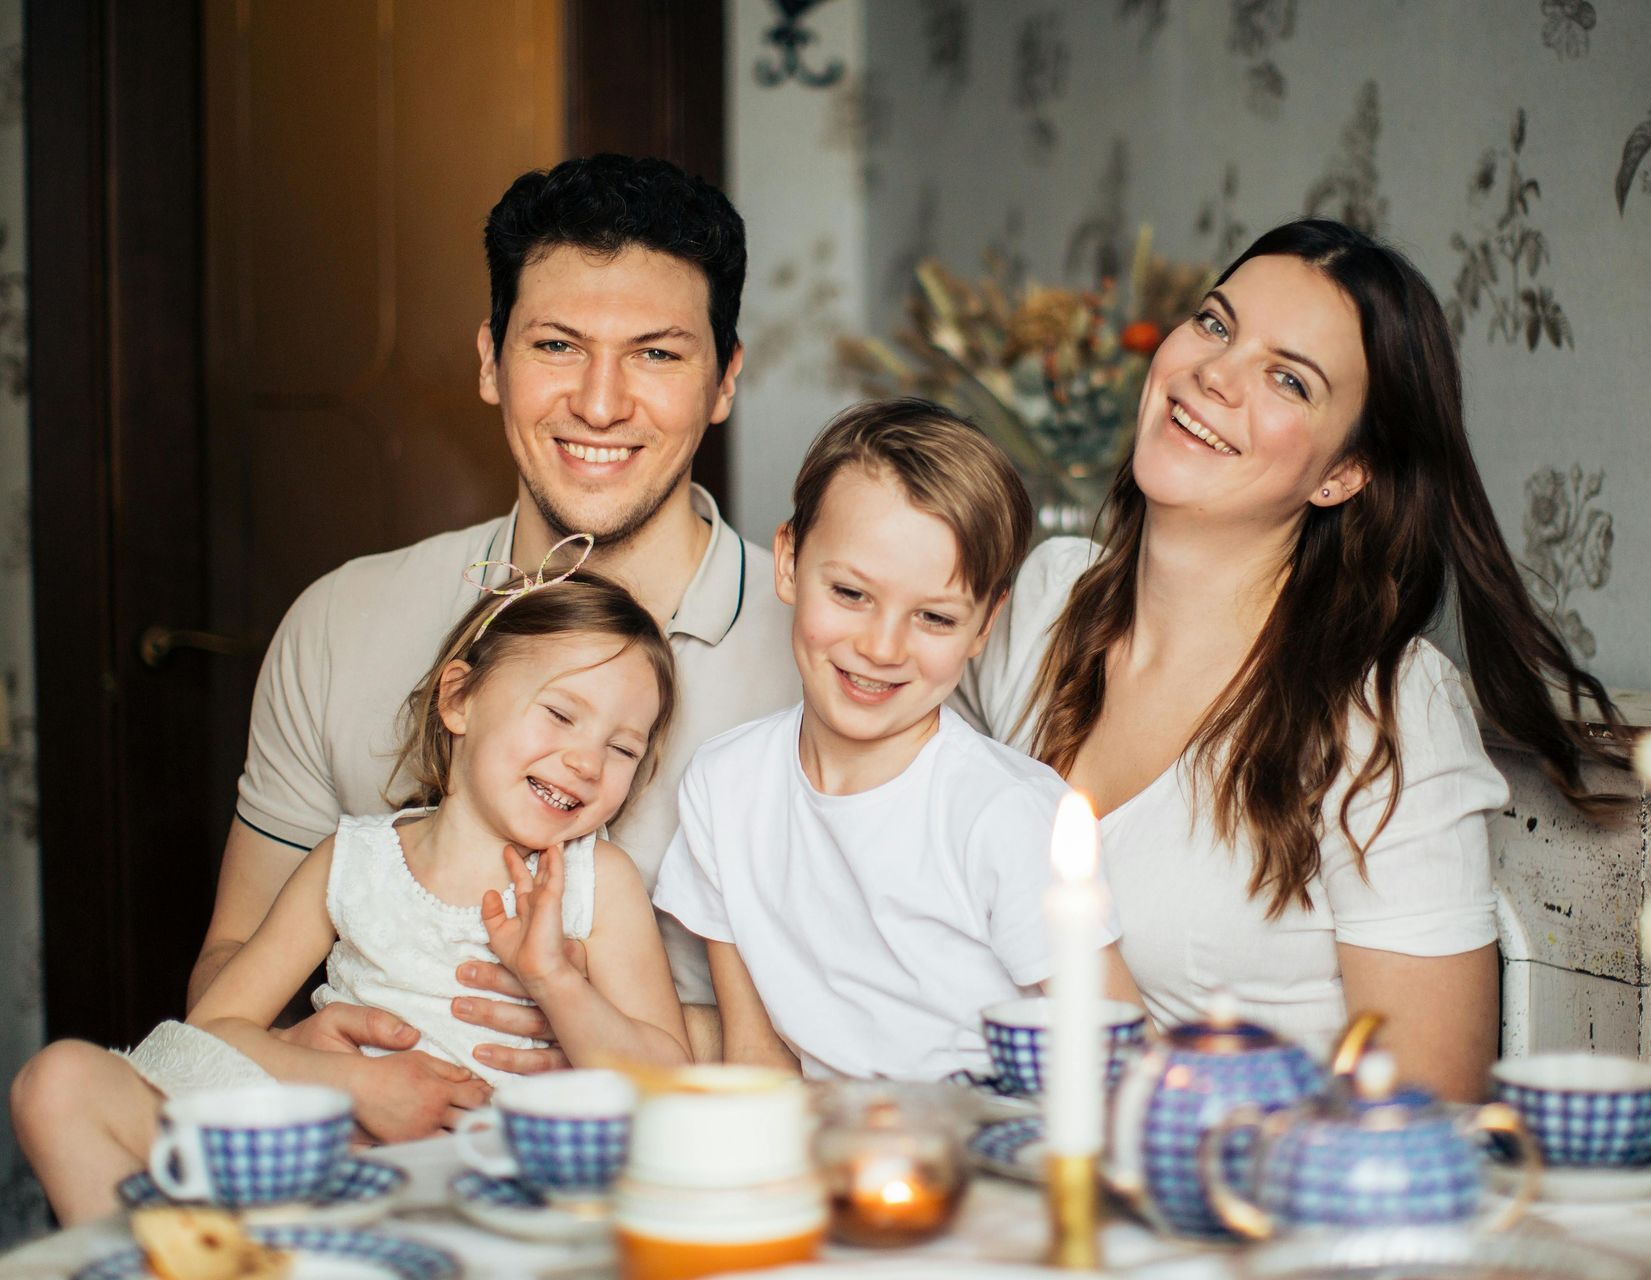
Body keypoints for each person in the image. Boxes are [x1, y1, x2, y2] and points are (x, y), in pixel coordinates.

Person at [955, 220, 1626, 1101]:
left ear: (1343, 473)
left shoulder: (1383, 713)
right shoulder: (1043, 602)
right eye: (1216, 324)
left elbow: (1429, 1104)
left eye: (1287, 378)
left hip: (1245, 1220)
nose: (1214, 374)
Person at [186, 154, 795, 1124]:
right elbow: (233, 958)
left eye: (657, 353)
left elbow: (893, 1007)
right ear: (488, 359)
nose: (600, 403)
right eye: (557, 344)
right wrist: (297, 1056)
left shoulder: (831, 654)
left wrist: (594, 1022)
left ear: (724, 380)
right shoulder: (342, 619)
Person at [13, 562, 692, 1223]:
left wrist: (553, 981)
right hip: (315, 1163)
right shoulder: (353, 860)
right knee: (57, 1084)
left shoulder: (598, 882)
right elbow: (211, 1034)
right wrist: (356, 1086)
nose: (587, 760)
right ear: (459, 699)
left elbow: (670, 1090)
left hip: (493, 1195)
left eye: (624, 748)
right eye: (561, 714)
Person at [653, 400, 1133, 1079]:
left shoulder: (1007, 814)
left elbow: (1118, 1058)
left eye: (934, 617)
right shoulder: (723, 788)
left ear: (984, 624)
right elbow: (757, 1056)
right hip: (825, 1159)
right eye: (851, 593)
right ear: (787, 562)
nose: (881, 648)